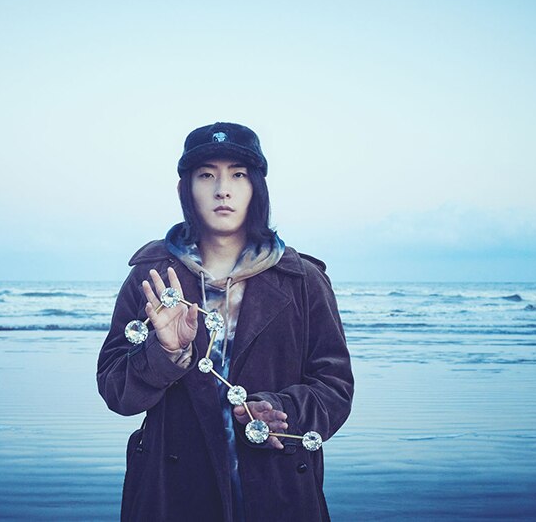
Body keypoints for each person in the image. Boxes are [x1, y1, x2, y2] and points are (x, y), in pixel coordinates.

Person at [97, 122, 354, 522]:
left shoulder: (303, 280)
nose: (222, 189)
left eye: (238, 174)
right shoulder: (150, 277)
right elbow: (117, 392)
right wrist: (164, 353)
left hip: (279, 491)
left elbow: (335, 388)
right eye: (206, 175)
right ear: (185, 188)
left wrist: (279, 409)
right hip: (171, 495)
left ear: (257, 187)